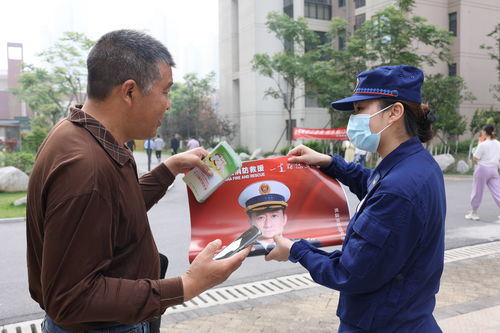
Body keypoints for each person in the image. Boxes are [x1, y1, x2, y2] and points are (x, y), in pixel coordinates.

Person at [26, 29, 250, 333]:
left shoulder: (84, 135)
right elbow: (70, 299)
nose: (168, 104)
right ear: (129, 92)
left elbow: (112, 212)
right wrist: (188, 285)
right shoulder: (86, 168)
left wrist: (167, 170)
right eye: (165, 91)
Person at [266, 65, 446, 332]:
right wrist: (329, 162)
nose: (354, 119)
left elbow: (349, 273)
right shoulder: (414, 165)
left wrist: (296, 251)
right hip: (405, 316)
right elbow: (372, 183)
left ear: (394, 112)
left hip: (382, 324)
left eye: (361, 109)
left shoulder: (398, 188)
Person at [238, 180, 290, 254]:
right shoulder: (242, 251)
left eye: (274, 216)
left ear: (284, 219)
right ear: (250, 222)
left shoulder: (297, 246)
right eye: (261, 217)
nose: (268, 224)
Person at [465, 124, 500, 221]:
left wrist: (475, 155)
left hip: (482, 168)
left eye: (482, 131)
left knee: (477, 191)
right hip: (494, 169)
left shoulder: (483, 144)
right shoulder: (498, 143)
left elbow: (475, 158)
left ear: (485, 132)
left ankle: (473, 212)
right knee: (498, 191)